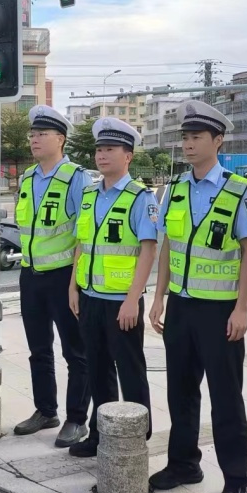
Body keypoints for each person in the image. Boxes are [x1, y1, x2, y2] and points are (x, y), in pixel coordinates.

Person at [148, 101, 247, 493]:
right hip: (181, 307)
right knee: (180, 391)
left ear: (218, 140)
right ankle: (182, 464)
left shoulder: (236, 189)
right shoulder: (173, 189)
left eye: (197, 137)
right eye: (185, 137)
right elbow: (168, 247)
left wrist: (242, 309)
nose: (189, 144)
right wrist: (159, 296)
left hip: (220, 310)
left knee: (226, 397)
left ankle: (236, 481)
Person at [66, 117, 158, 457]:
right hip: (89, 298)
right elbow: (82, 244)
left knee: (131, 370)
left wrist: (134, 299)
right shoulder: (90, 195)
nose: (102, 156)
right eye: (99, 149)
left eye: (110, 149)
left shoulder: (139, 198)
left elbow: (148, 249)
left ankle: (135, 435)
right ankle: (99, 433)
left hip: (122, 302)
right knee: (98, 368)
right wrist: (73, 286)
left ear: (128, 156)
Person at [14, 105, 92, 448]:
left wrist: (75, 282)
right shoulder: (27, 178)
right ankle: (45, 410)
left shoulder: (77, 178)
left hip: (64, 277)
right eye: (32, 134)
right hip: (30, 275)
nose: (34, 139)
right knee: (38, 349)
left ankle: (77, 419)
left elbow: (83, 234)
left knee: (76, 352)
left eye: (41, 134)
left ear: (60, 139)